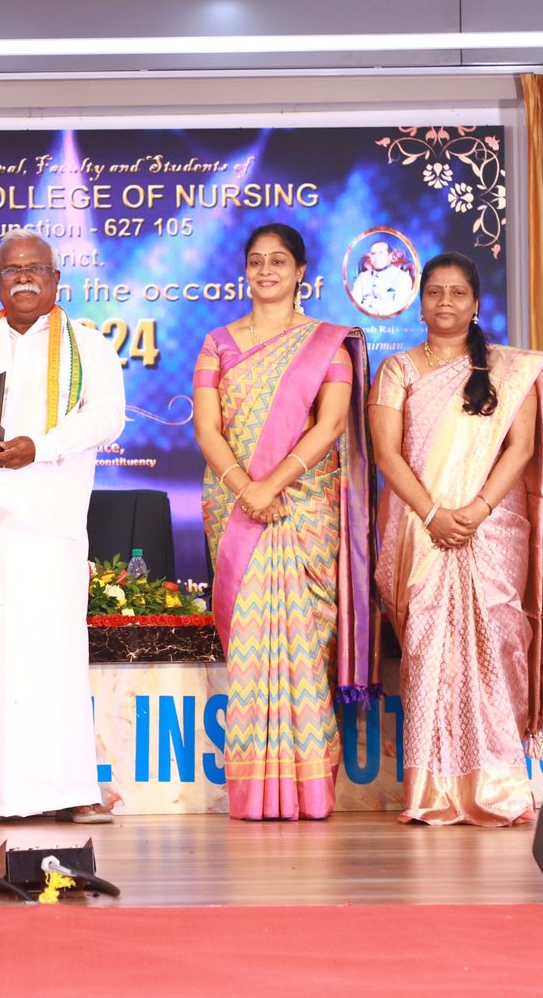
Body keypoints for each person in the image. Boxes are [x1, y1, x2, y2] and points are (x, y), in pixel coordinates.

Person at [0, 228, 126, 824]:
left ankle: (68, 789)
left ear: (55, 279)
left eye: (35, 268)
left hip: (52, 519)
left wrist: (37, 448)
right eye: (12, 270)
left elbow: (107, 417)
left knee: (54, 657)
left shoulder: (88, 346)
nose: (23, 277)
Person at [192, 223, 379, 821]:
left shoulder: (329, 343)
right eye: (256, 261)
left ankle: (307, 789)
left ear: (301, 271)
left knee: (304, 644)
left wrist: (269, 486)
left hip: (303, 507)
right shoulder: (217, 343)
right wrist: (244, 488)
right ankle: (254, 791)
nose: (266, 270)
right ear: (244, 270)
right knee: (251, 646)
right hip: (236, 507)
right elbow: (206, 429)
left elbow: (332, 425)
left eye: (278, 261)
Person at [369, 252, 543, 826]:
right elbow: (386, 453)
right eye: (434, 292)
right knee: (427, 650)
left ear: (476, 304)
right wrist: (432, 513)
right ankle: (430, 792)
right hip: (420, 526)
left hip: (493, 527)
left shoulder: (510, 370)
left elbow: (521, 449)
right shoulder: (398, 369)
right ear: (419, 303)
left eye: (457, 293)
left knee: (497, 642)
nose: (445, 302)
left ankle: (499, 787)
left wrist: (476, 511)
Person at [351, 239, 413, 316]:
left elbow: (399, 307)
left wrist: (375, 312)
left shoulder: (402, 277)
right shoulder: (362, 277)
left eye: (381, 253)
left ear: (390, 256)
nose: (376, 257)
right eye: (373, 254)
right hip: (362, 319)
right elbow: (354, 304)